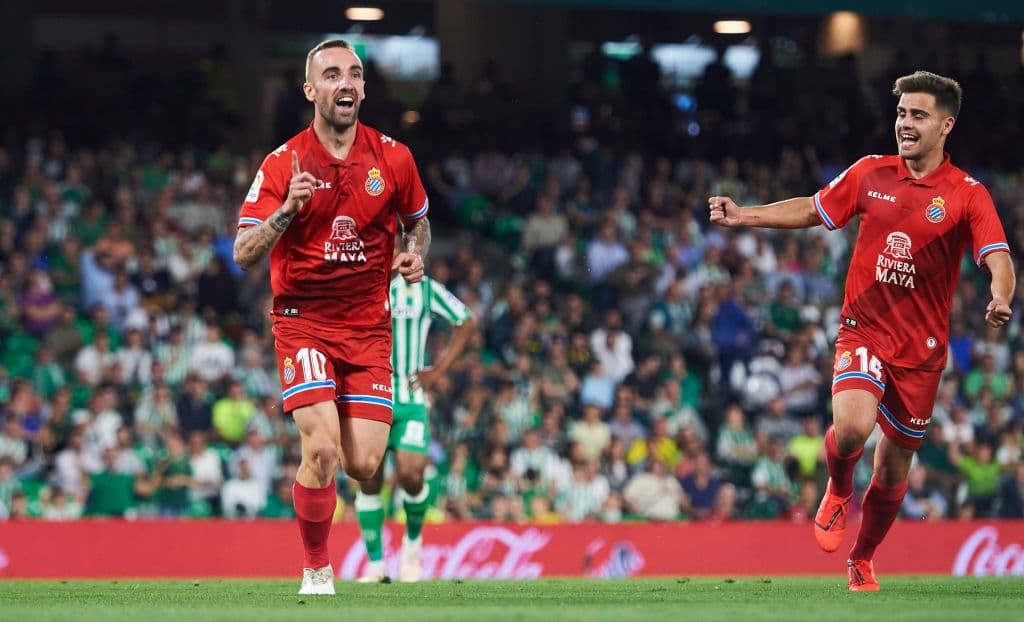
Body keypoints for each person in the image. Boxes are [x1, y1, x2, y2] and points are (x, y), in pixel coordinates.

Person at [709, 70, 1014, 591]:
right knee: (851, 428)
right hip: (863, 329)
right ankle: (837, 486)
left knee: (894, 471)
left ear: (946, 124)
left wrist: (1001, 294)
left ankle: (863, 557)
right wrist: (744, 217)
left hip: (921, 353)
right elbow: (812, 208)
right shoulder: (871, 173)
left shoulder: (967, 194)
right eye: (901, 114)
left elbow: (998, 256)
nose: (906, 124)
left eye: (918, 115)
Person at [233, 39, 431, 596]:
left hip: (368, 327)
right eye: (333, 75)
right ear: (310, 90)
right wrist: (287, 210)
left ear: (364, 88)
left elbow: (418, 221)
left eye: (355, 74)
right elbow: (244, 251)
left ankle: (336, 519)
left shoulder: (395, 157)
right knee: (320, 450)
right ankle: (317, 568)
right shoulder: (282, 162)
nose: (346, 83)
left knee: (365, 465)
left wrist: (416, 253)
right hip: (303, 320)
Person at [356, 254, 475, 583]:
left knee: (410, 473)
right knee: (370, 479)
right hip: (371, 395)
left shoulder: (427, 290)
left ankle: (412, 545)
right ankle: (376, 564)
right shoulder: (368, 285)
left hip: (410, 396)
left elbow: (466, 320)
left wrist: (438, 371)